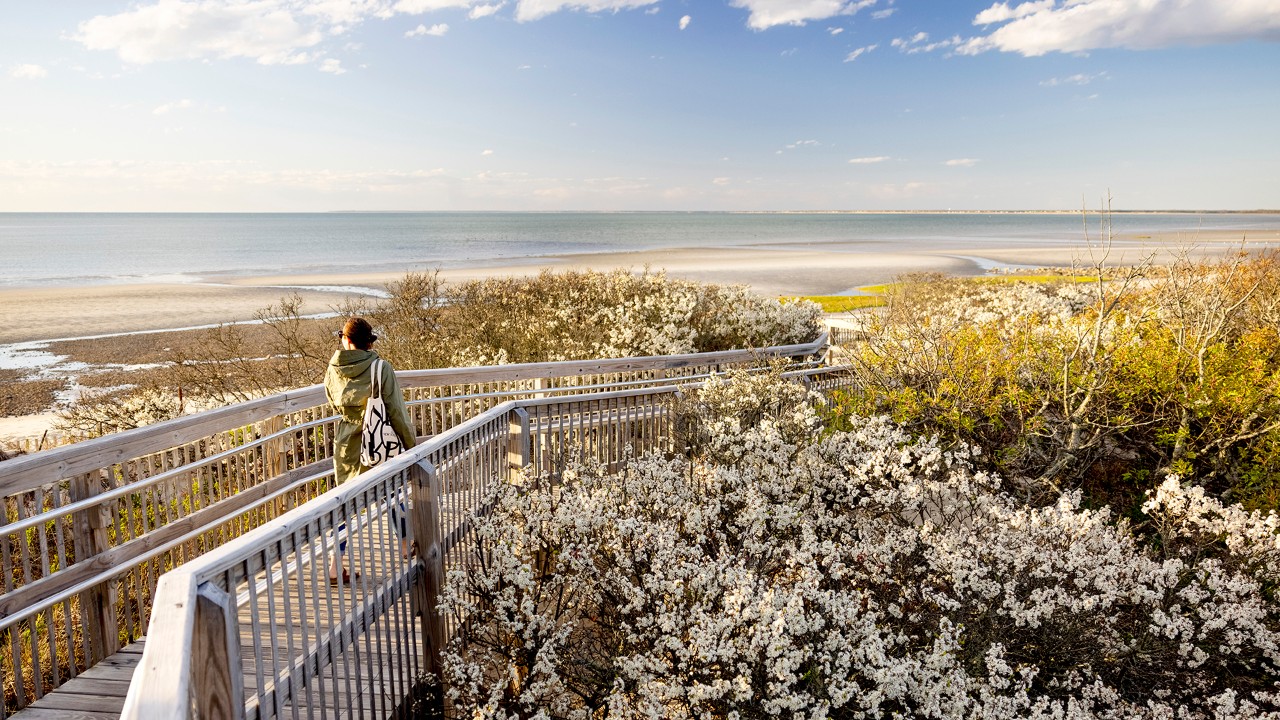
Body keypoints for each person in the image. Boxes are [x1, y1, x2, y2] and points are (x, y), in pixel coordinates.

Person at [323, 317, 417, 583]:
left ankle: (335, 565)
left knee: (344, 502)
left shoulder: (333, 368)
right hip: (378, 440)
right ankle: (404, 544)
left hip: (347, 442)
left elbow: (332, 401)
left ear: (346, 339)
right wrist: (411, 447)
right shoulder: (380, 368)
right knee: (392, 491)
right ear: (368, 341)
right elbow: (396, 411)